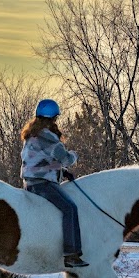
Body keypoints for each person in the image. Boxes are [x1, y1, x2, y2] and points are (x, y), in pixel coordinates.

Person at [21, 99, 88, 268]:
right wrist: (74, 155)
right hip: (42, 184)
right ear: (53, 118)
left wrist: (60, 172)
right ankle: (71, 254)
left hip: (30, 182)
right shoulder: (48, 137)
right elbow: (65, 158)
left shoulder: (32, 135)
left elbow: (38, 161)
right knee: (70, 208)